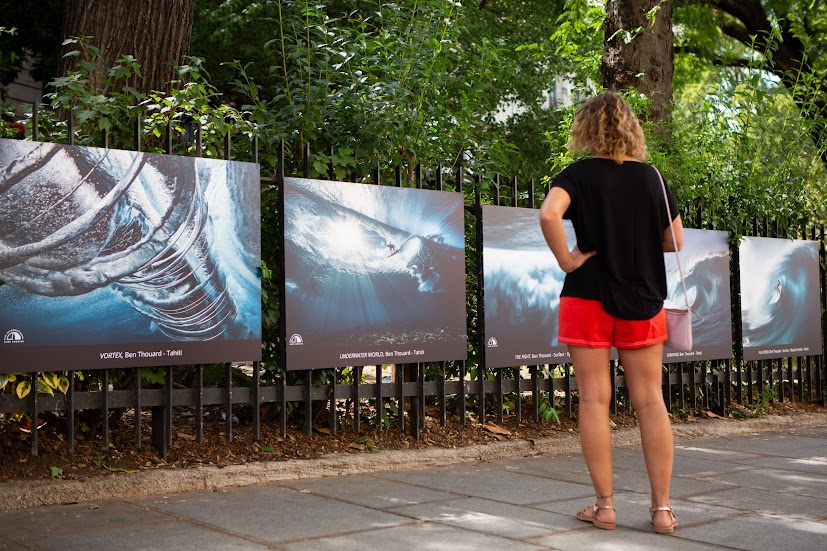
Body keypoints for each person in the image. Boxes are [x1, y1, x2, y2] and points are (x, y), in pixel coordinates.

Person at [539, 91, 684, 535]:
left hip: (587, 297)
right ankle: (661, 511)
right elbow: (675, 241)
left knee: (595, 401)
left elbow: (549, 214)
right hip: (642, 299)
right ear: (630, 129)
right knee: (650, 401)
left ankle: (605, 507)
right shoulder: (651, 179)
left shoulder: (577, 175)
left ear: (586, 128)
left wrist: (568, 259)